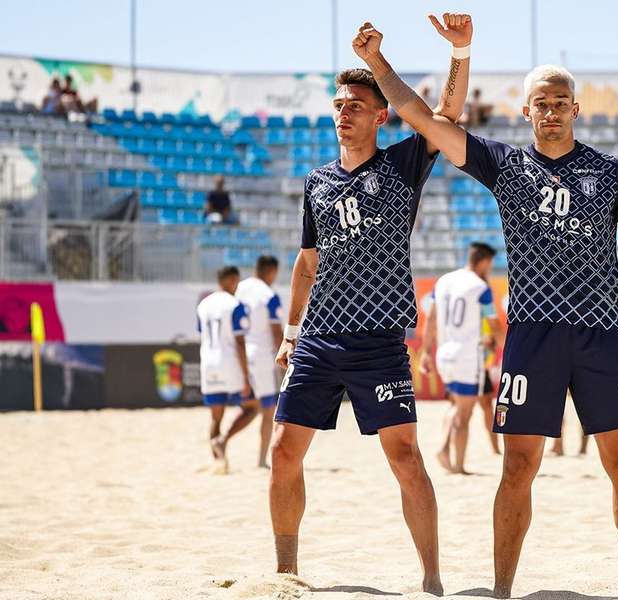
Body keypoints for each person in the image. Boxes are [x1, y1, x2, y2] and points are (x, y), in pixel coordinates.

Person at [355, 24, 618, 596]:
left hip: (602, 334)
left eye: (560, 103)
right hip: (533, 337)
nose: (551, 112)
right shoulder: (505, 165)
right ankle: (503, 591)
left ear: (576, 109)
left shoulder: (611, 173)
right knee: (517, 467)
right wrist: (379, 63)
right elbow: (423, 119)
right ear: (526, 111)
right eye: (541, 104)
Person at [268, 13, 473, 591]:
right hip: (318, 339)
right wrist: (289, 333)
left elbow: (446, 117)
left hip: (379, 340)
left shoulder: (403, 164)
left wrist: (460, 53)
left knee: (405, 458)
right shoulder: (318, 182)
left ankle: (432, 578)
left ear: (381, 115)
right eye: (338, 104)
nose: (344, 111)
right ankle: (286, 573)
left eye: (356, 104)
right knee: (284, 451)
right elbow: (306, 264)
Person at [420, 242, 503, 474]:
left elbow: (432, 319)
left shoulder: (444, 281)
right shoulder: (480, 287)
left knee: (456, 406)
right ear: (484, 262)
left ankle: (444, 448)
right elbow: (495, 324)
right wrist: (506, 346)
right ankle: (458, 464)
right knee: (465, 415)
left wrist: (426, 351)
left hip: (444, 353)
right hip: (467, 356)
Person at [196, 265, 259, 474]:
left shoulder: (203, 305)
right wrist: (246, 377)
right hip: (230, 362)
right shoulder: (235, 304)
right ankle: (223, 440)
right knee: (252, 407)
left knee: (216, 416)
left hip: (208, 362)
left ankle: (219, 461)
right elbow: (240, 343)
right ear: (233, 280)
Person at [235, 255, 283, 469]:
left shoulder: (240, 288)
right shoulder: (269, 295)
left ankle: (222, 440)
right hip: (262, 356)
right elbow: (276, 331)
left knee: (249, 407)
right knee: (268, 409)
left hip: (241, 353)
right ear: (271, 271)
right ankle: (262, 460)